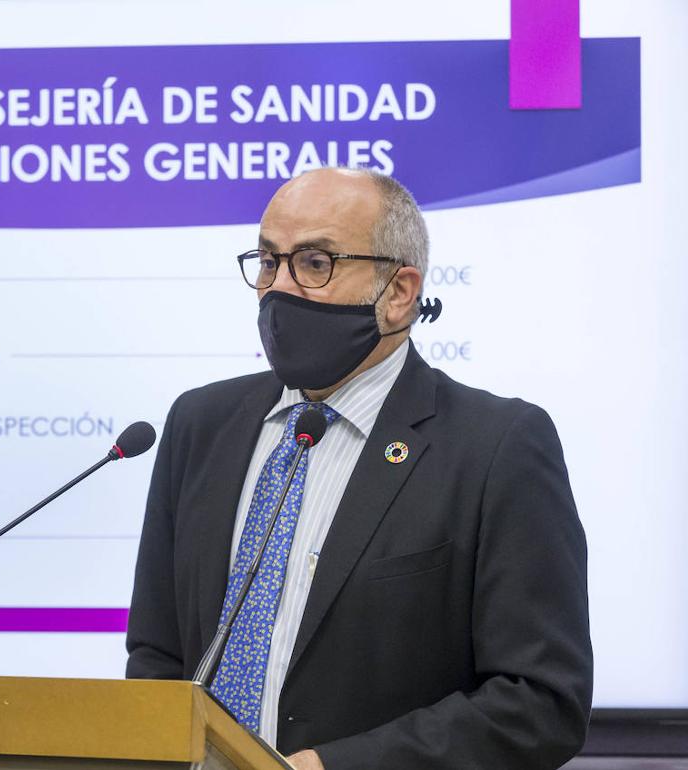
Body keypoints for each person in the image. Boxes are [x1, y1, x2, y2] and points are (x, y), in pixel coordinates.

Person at [125, 167, 592, 769]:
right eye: (268, 261)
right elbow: (158, 654)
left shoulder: (497, 447)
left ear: (399, 293)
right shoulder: (200, 424)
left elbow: (541, 703)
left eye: (314, 264)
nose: (278, 289)